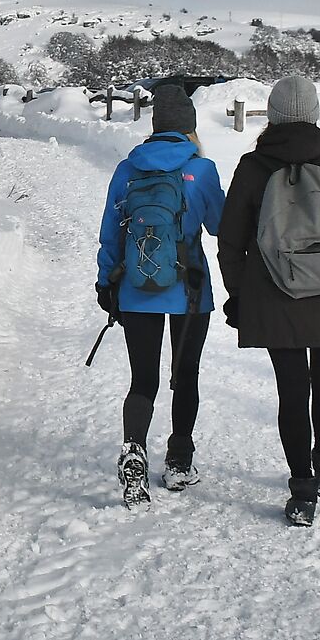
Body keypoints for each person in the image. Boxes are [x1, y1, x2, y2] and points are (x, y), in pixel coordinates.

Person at [216, 76, 320, 527]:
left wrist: (242, 294)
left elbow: (230, 242)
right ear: (312, 114)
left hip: (273, 293)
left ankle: (301, 490)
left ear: (271, 115)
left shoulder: (252, 167)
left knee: (292, 389)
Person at [94, 80, 224, 508]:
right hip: (189, 290)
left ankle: (134, 451)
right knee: (185, 375)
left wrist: (104, 282)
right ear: (189, 127)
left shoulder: (128, 168)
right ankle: (180, 461)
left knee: (142, 378)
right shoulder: (201, 169)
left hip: (135, 288)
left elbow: (111, 232)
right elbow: (218, 225)